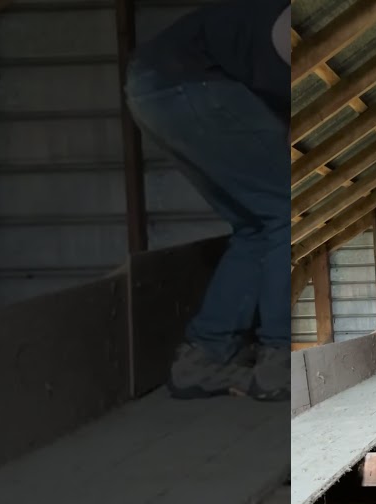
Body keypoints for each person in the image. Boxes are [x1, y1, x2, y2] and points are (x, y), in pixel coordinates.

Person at [123, 0, 291, 401]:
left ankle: (203, 359)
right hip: (190, 82)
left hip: (152, 88)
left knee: (256, 225)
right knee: (291, 211)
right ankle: (280, 359)